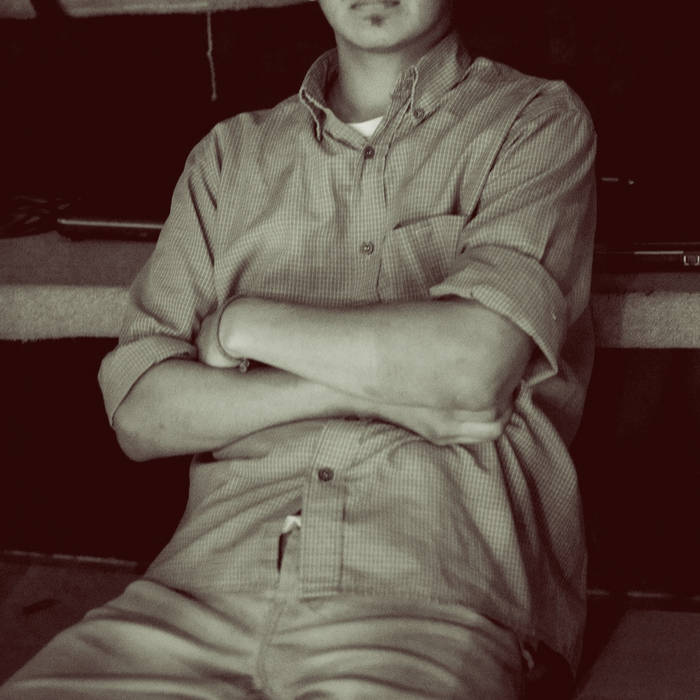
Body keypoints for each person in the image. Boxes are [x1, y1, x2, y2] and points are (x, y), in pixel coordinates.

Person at [1, 0, 596, 697]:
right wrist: (374, 391)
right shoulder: (229, 156)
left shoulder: (532, 120)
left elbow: (471, 368)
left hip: (428, 597)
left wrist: (241, 325)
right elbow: (140, 411)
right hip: (197, 590)